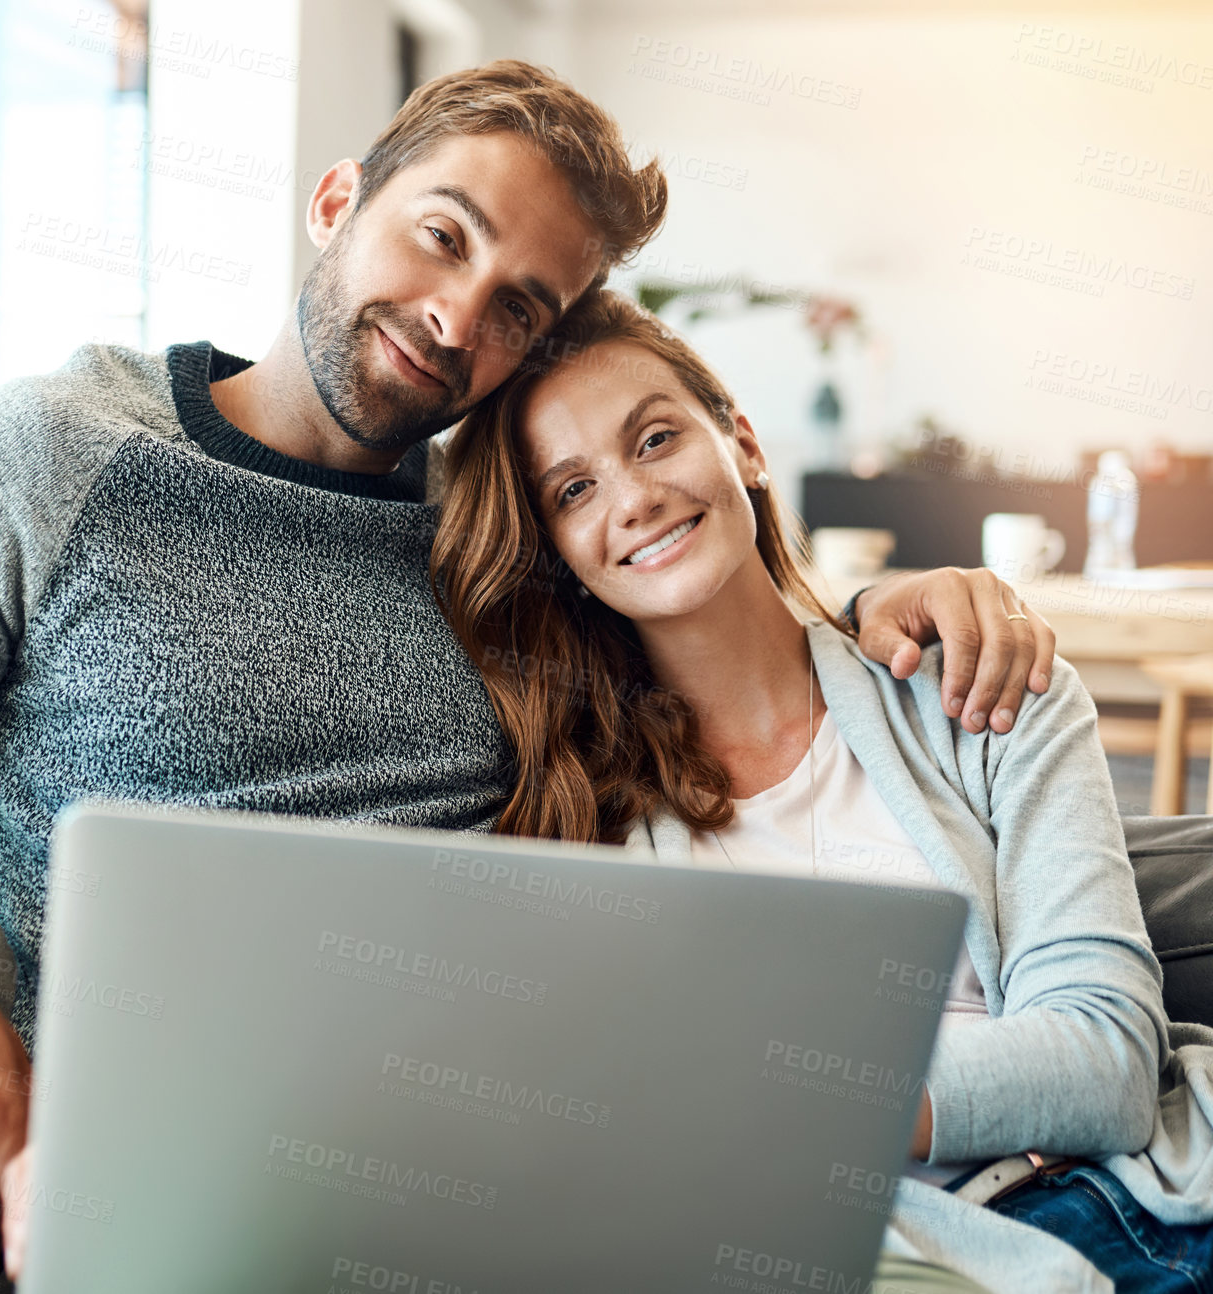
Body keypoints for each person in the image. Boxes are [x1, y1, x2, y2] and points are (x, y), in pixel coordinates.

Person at [0, 62, 1055, 1275]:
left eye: (518, 306)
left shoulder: (504, 530)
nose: (456, 319)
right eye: (440, 237)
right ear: (338, 200)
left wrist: (894, 607)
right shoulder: (48, 457)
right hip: (172, 1208)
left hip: (522, 1184)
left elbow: (706, 619)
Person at [429, 286, 1213, 1293]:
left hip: (1147, 1203)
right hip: (915, 1258)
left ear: (743, 445)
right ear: (560, 556)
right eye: (572, 490)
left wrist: (801, 1099)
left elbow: (1104, 1064)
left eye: (655, 438)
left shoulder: (980, 688)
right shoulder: (584, 821)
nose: (631, 498)